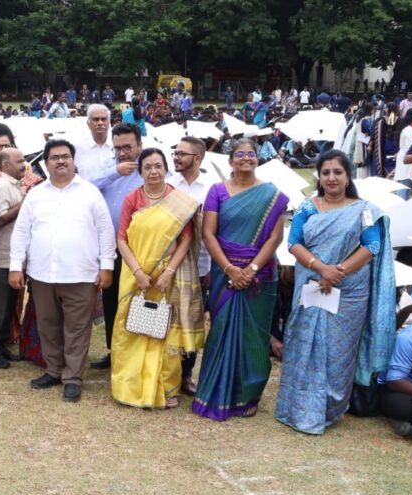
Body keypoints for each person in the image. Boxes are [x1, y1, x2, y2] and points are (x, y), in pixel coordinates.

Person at [276, 150, 396, 434]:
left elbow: (372, 246)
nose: (331, 177)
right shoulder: (308, 206)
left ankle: (329, 408)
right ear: (319, 176)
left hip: (350, 292)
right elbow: (294, 242)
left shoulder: (364, 209)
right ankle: (297, 407)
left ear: (348, 176)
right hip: (312, 285)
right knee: (304, 343)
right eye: (326, 172)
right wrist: (321, 269)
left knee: (338, 352)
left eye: (337, 172)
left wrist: (337, 271)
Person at [10, 139, 115, 402]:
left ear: (73, 160)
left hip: (80, 274)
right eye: (54, 157)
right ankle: (54, 370)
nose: (60, 161)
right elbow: (21, 233)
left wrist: (107, 267)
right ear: (45, 164)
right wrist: (15, 267)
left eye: (65, 156)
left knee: (77, 329)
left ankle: (72, 378)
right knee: (48, 326)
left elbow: (105, 231)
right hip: (43, 274)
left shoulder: (90, 192)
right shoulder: (35, 194)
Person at [193, 139, 289, 420]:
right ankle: (215, 392)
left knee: (254, 335)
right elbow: (208, 233)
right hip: (225, 274)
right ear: (230, 160)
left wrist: (252, 269)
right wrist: (230, 269)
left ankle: (247, 396)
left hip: (260, 276)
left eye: (251, 154)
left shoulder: (272, 195)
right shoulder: (217, 191)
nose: (246, 158)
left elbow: (276, 237)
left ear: (257, 158)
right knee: (221, 330)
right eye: (240, 154)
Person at [110, 148, 202, 409]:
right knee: (131, 327)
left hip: (166, 275)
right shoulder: (132, 199)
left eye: (158, 166)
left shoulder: (178, 200)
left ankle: (165, 387)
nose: (153, 171)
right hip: (135, 274)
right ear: (140, 172)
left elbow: (186, 239)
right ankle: (129, 384)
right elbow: (121, 239)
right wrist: (138, 272)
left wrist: (169, 271)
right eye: (147, 167)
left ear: (166, 169)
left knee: (164, 331)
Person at [87, 123, 145, 369]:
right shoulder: (108, 168)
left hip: (138, 249)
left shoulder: (148, 169)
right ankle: (114, 351)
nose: (122, 153)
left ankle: (137, 354)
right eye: (118, 148)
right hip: (109, 248)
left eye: (127, 147)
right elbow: (87, 186)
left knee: (135, 302)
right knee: (111, 300)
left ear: (139, 146)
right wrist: (114, 172)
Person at [169, 137, 213, 397]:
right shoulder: (166, 184)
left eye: (182, 154)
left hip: (199, 264)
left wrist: (208, 268)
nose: (176, 157)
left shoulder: (211, 189)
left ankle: (185, 375)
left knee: (191, 320)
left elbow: (211, 232)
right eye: (175, 152)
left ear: (197, 158)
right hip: (167, 265)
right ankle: (167, 372)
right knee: (168, 319)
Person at [0, 147, 26, 369]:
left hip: (13, 258)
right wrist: (24, 203)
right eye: (19, 161)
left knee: (9, 306)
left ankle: (1, 346)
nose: (24, 164)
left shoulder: (16, 185)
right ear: (5, 165)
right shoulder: (1, 187)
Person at [74, 104, 113, 180]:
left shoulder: (117, 146)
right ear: (88, 124)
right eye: (96, 119)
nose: (100, 123)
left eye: (103, 119)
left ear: (109, 123)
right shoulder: (77, 148)